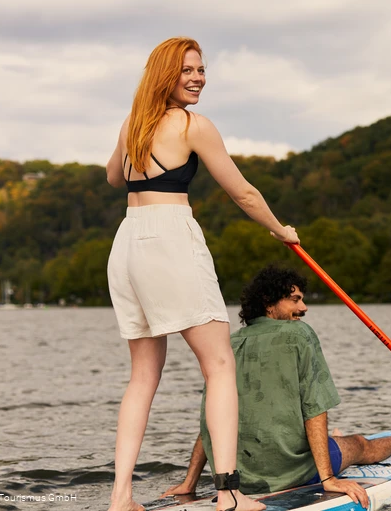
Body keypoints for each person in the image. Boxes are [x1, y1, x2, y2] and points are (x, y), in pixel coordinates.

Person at [105, 37, 298, 511]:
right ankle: (229, 493)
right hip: (170, 239)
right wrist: (280, 230)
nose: (197, 78)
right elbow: (244, 194)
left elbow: (114, 177)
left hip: (128, 242)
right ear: (164, 75)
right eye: (186, 70)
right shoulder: (195, 126)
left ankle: (121, 496)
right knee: (220, 366)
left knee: (143, 376)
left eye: (201, 69)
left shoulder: (133, 124)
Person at [162, 265, 391, 509]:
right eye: (294, 300)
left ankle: (333, 439)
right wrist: (328, 479)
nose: (303, 308)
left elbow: (211, 420)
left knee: (319, 434)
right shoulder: (299, 334)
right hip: (290, 471)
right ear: (269, 303)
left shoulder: (228, 343)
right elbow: (314, 408)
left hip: (239, 478)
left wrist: (190, 483)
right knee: (359, 444)